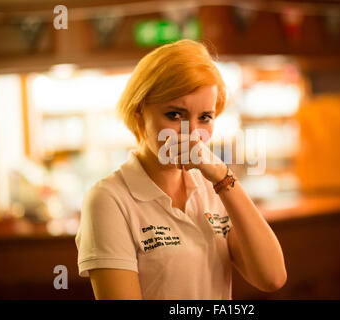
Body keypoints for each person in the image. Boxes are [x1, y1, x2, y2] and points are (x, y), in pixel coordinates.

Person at [75, 39, 287, 300]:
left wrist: (222, 175)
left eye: (205, 117)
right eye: (175, 115)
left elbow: (272, 277)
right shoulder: (108, 198)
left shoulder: (214, 188)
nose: (192, 133)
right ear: (139, 110)